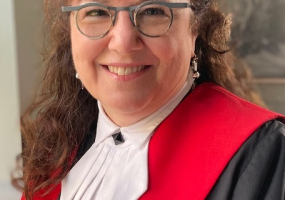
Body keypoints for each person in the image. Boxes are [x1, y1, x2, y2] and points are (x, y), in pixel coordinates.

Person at [16, 0, 285, 199]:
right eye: (96, 12)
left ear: (195, 30)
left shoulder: (262, 155)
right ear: (71, 33)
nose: (122, 42)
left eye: (153, 11)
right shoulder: (54, 147)